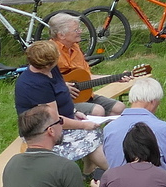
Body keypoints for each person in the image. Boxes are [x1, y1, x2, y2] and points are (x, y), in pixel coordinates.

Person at [13, 40, 107, 171]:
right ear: (47, 64)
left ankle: (92, 170)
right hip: (43, 131)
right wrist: (83, 125)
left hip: (61, 120)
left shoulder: (51, 69)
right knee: (92, 135)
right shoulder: (35, 84)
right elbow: (54, 119)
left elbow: (61, 94)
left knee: (93, 132)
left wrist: (74, 111)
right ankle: (113, 174)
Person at [45, 12, 130, 107]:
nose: (80, 31)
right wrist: (62, 86)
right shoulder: (49, 51)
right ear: (61, 35)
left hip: (83, 96)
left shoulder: (75, 48)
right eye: (76, 30)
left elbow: (88, 76)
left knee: (119, 107)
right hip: (60, 102)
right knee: (97, 110)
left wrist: (116, 78)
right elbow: (40, 79)